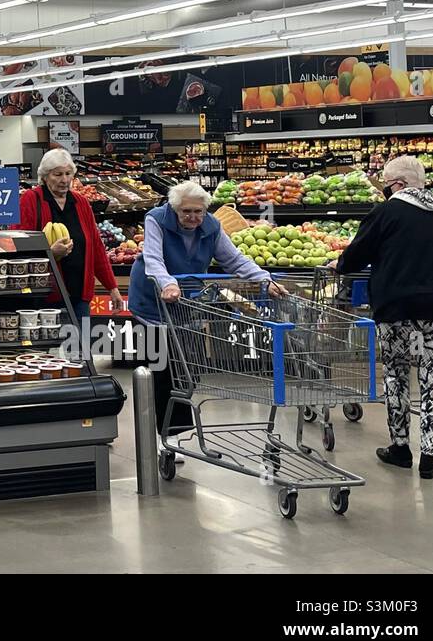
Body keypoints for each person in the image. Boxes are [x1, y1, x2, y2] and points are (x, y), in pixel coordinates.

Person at [336, 155, 433, 479]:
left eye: (385, 184)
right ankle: (429, 457)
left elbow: (352, 258)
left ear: (398, 184)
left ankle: (400, 448)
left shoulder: (387, 210)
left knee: (396, 374)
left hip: (398, 308)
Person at [129, 180, 287, 437]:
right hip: (152, 303)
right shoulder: (156, 220)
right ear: (175, 209)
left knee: (185, 369)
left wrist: (263, 279)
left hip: (186, 303)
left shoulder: (212, 226)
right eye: (186, 212)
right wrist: (167, 283)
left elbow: (233, 259)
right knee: (163, 369)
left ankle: (172, 431)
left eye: (198, 211)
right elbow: (154, 260)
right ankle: (164, 435)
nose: (193, 217)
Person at [17, 148, 124, 321]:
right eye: (58, 174)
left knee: (81, 345)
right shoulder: (31, 200)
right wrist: (50, 254)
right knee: (54, 347)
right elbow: (19, 245)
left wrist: (112, 287)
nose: (64, 180)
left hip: (79, 295)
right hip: (44, 296)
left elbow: (96, 247)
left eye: (68, 174)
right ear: (45, 176)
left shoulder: (80, 202)